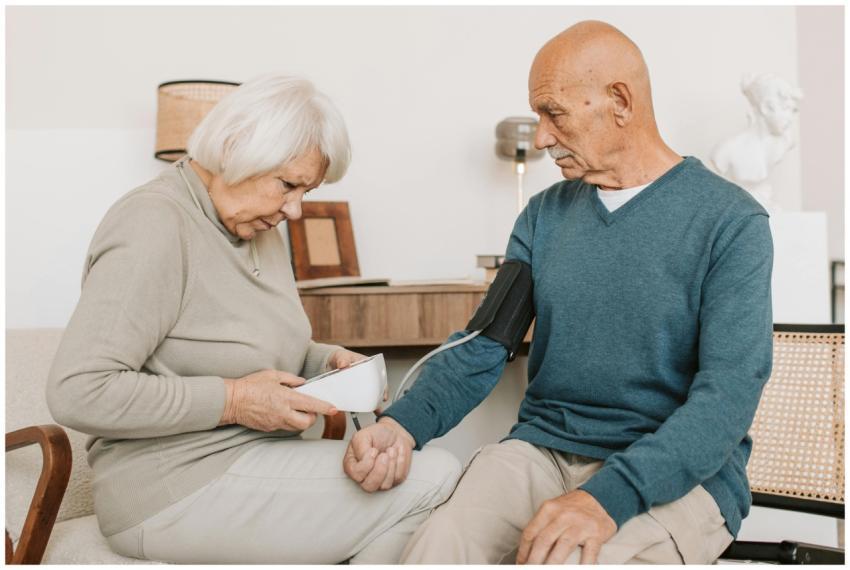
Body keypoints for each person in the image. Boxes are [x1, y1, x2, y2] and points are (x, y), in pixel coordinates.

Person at [343, 21, 773, 564]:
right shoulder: (544, 216)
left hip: (675, 477)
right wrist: (402, 425)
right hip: (542, 452)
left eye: (554, 113)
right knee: (438, 547)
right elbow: (481, 346)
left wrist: (604, 500)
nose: (542, 136)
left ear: (619, 100)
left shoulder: (730, 221)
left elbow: (727, 398)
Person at [46, 74, 461, 564]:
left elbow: (249, 343)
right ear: (234, 148)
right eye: (288, 185)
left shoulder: (257, 229)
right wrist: (235, 401)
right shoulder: (154, 224)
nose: (296, 209)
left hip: (250, 461)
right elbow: (78, 390)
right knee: (434, 479)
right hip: (170, 488)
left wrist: (326, 362)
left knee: (409, 470)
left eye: (306, 190)